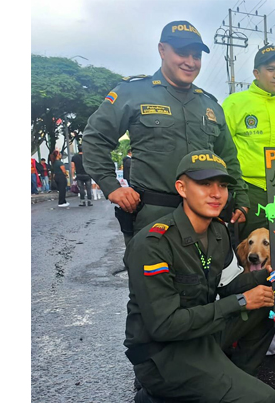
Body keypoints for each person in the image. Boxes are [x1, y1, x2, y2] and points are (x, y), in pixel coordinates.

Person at [126, 151, 275, 403]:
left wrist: (265, 276)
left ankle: (237, 379)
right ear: (182, 188)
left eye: (222, 185)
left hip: (201, 332)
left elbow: (228, 285)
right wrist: (240, 302)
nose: (216, 193)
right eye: (205, 184)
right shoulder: (153, 244)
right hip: (163, 352)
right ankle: (159, 401)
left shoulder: (218, 232)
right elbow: (164, 326)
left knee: (266, 304)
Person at [83, 20, 250, 244]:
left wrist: (241, 198)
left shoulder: (210, 106)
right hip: (153, 217)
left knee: (206, 268)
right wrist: (111, 186)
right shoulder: (133, 93)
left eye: (196, 56)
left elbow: (227, 158)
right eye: (182, 53)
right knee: (151, 268)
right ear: (162, 50)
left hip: (203, 219)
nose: (190, 62)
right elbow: (94, 139)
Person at [221, 44, 275, 239]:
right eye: (270, 69)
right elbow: (222, 150)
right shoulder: (234, 103)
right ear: (256, 73)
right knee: (247, 248)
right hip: (248, 191)